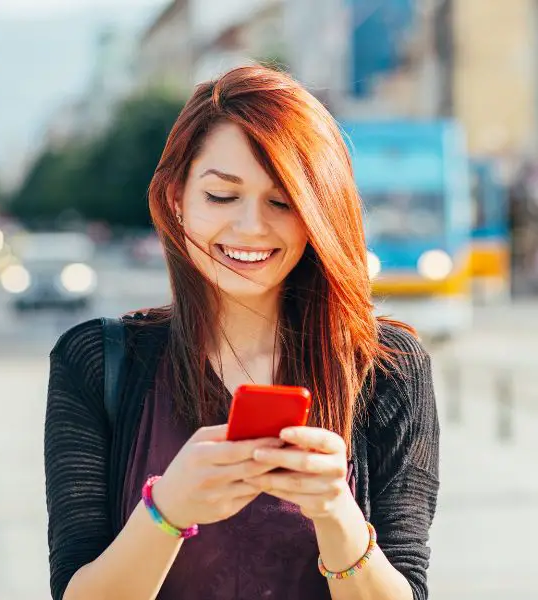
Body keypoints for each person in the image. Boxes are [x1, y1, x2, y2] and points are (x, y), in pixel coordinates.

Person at [44, 65, 439, 600]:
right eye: (222, 196)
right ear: (177, 199)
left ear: (318, 212)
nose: (251, 227)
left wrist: (335, 512)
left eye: (282, 201)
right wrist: (167, 511)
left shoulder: (386, 365)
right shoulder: (97, 360)